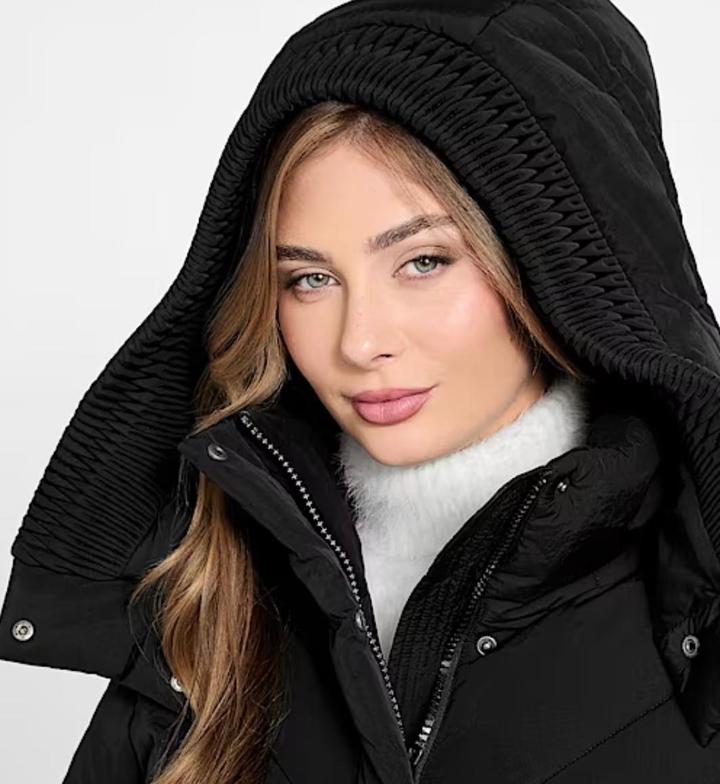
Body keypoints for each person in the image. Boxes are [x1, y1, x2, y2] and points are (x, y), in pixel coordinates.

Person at [1, 1, 720, 782]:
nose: (358, 341)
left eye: (423, 262)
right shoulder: (205, 601)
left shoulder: (696, 613)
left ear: (554, 262)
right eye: (310, 279)